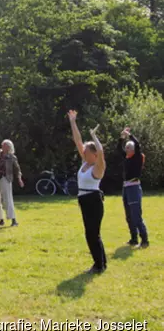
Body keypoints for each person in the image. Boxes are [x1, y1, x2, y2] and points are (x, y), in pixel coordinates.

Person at [69, 110, 107, 274]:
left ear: (94, 154)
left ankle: (98, 265)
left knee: (92, 233)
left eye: (87, 151)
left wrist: (94, 136)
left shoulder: (98, 167)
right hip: (84, 200)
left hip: (93, 200)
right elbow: (77, 140)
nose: (83, 151)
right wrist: (73, 121)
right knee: (91, 233)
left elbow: (101, 152)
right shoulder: (85, 162)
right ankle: (101, 263)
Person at [0, 126, 24, 226]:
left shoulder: (12, 157)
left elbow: (17, 169)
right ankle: (0, 219)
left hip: (5, 178)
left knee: (8, 199)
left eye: (4, 145)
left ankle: (14, 220)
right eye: (2, 144)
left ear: (9, 147)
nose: (2, 145)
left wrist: (19, 179)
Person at [118, 127, 149, 248]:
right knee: (129, 216)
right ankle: (134, 239)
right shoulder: (127, 158)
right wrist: (121, 138)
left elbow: (137, 144)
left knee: (136, 215)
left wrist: (129, 135)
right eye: (125, 148)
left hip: (134, 188)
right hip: (126, 188)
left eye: (128, 149)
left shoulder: (137, 157)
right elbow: (118, 149)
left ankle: (145, 240)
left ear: (133, 150)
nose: (126, 151)